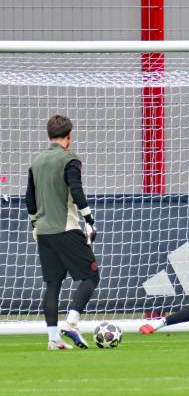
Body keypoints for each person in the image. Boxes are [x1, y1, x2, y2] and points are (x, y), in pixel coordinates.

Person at [26, 114, 99, 350]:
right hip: (66, 228)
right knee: (91, 276)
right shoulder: (70, 159)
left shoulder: (36, 161)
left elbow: (29, 198)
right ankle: (72, 321)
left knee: (53, 284)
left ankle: (53, 339)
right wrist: (89, 221)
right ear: (69, 136)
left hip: (44, 232)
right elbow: (76, 191)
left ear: (49, 136)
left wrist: (34, 225)